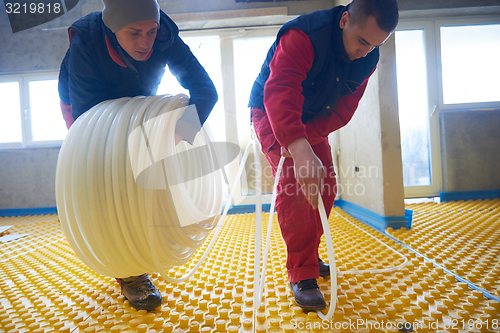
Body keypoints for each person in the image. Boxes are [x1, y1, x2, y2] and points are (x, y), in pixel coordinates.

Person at [58, 0, 218, 311]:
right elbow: (89, 122)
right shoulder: (86, 42)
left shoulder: (164, 35)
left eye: (151, 31)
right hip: (89, 112)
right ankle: (128, 271)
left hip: (137, 100)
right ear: (113, 27)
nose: (146, 42)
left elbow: (204, 89)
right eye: (134, 33)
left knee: (147, 178)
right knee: (108, 181)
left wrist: (176, 136)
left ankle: (142, 241)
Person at [248, 0, 399, 310]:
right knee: (296, 191)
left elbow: (344, 108)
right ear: (344, 20)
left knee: (324, 186)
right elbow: (280, 92)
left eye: (375, 45)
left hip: (313, 119)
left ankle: (309, 255)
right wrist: (297, 146)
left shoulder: (367, 57)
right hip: (272, 112)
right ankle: (301, 274)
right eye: (362, 41)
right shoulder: (303, 36)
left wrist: (309, 139)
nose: (366, 51)